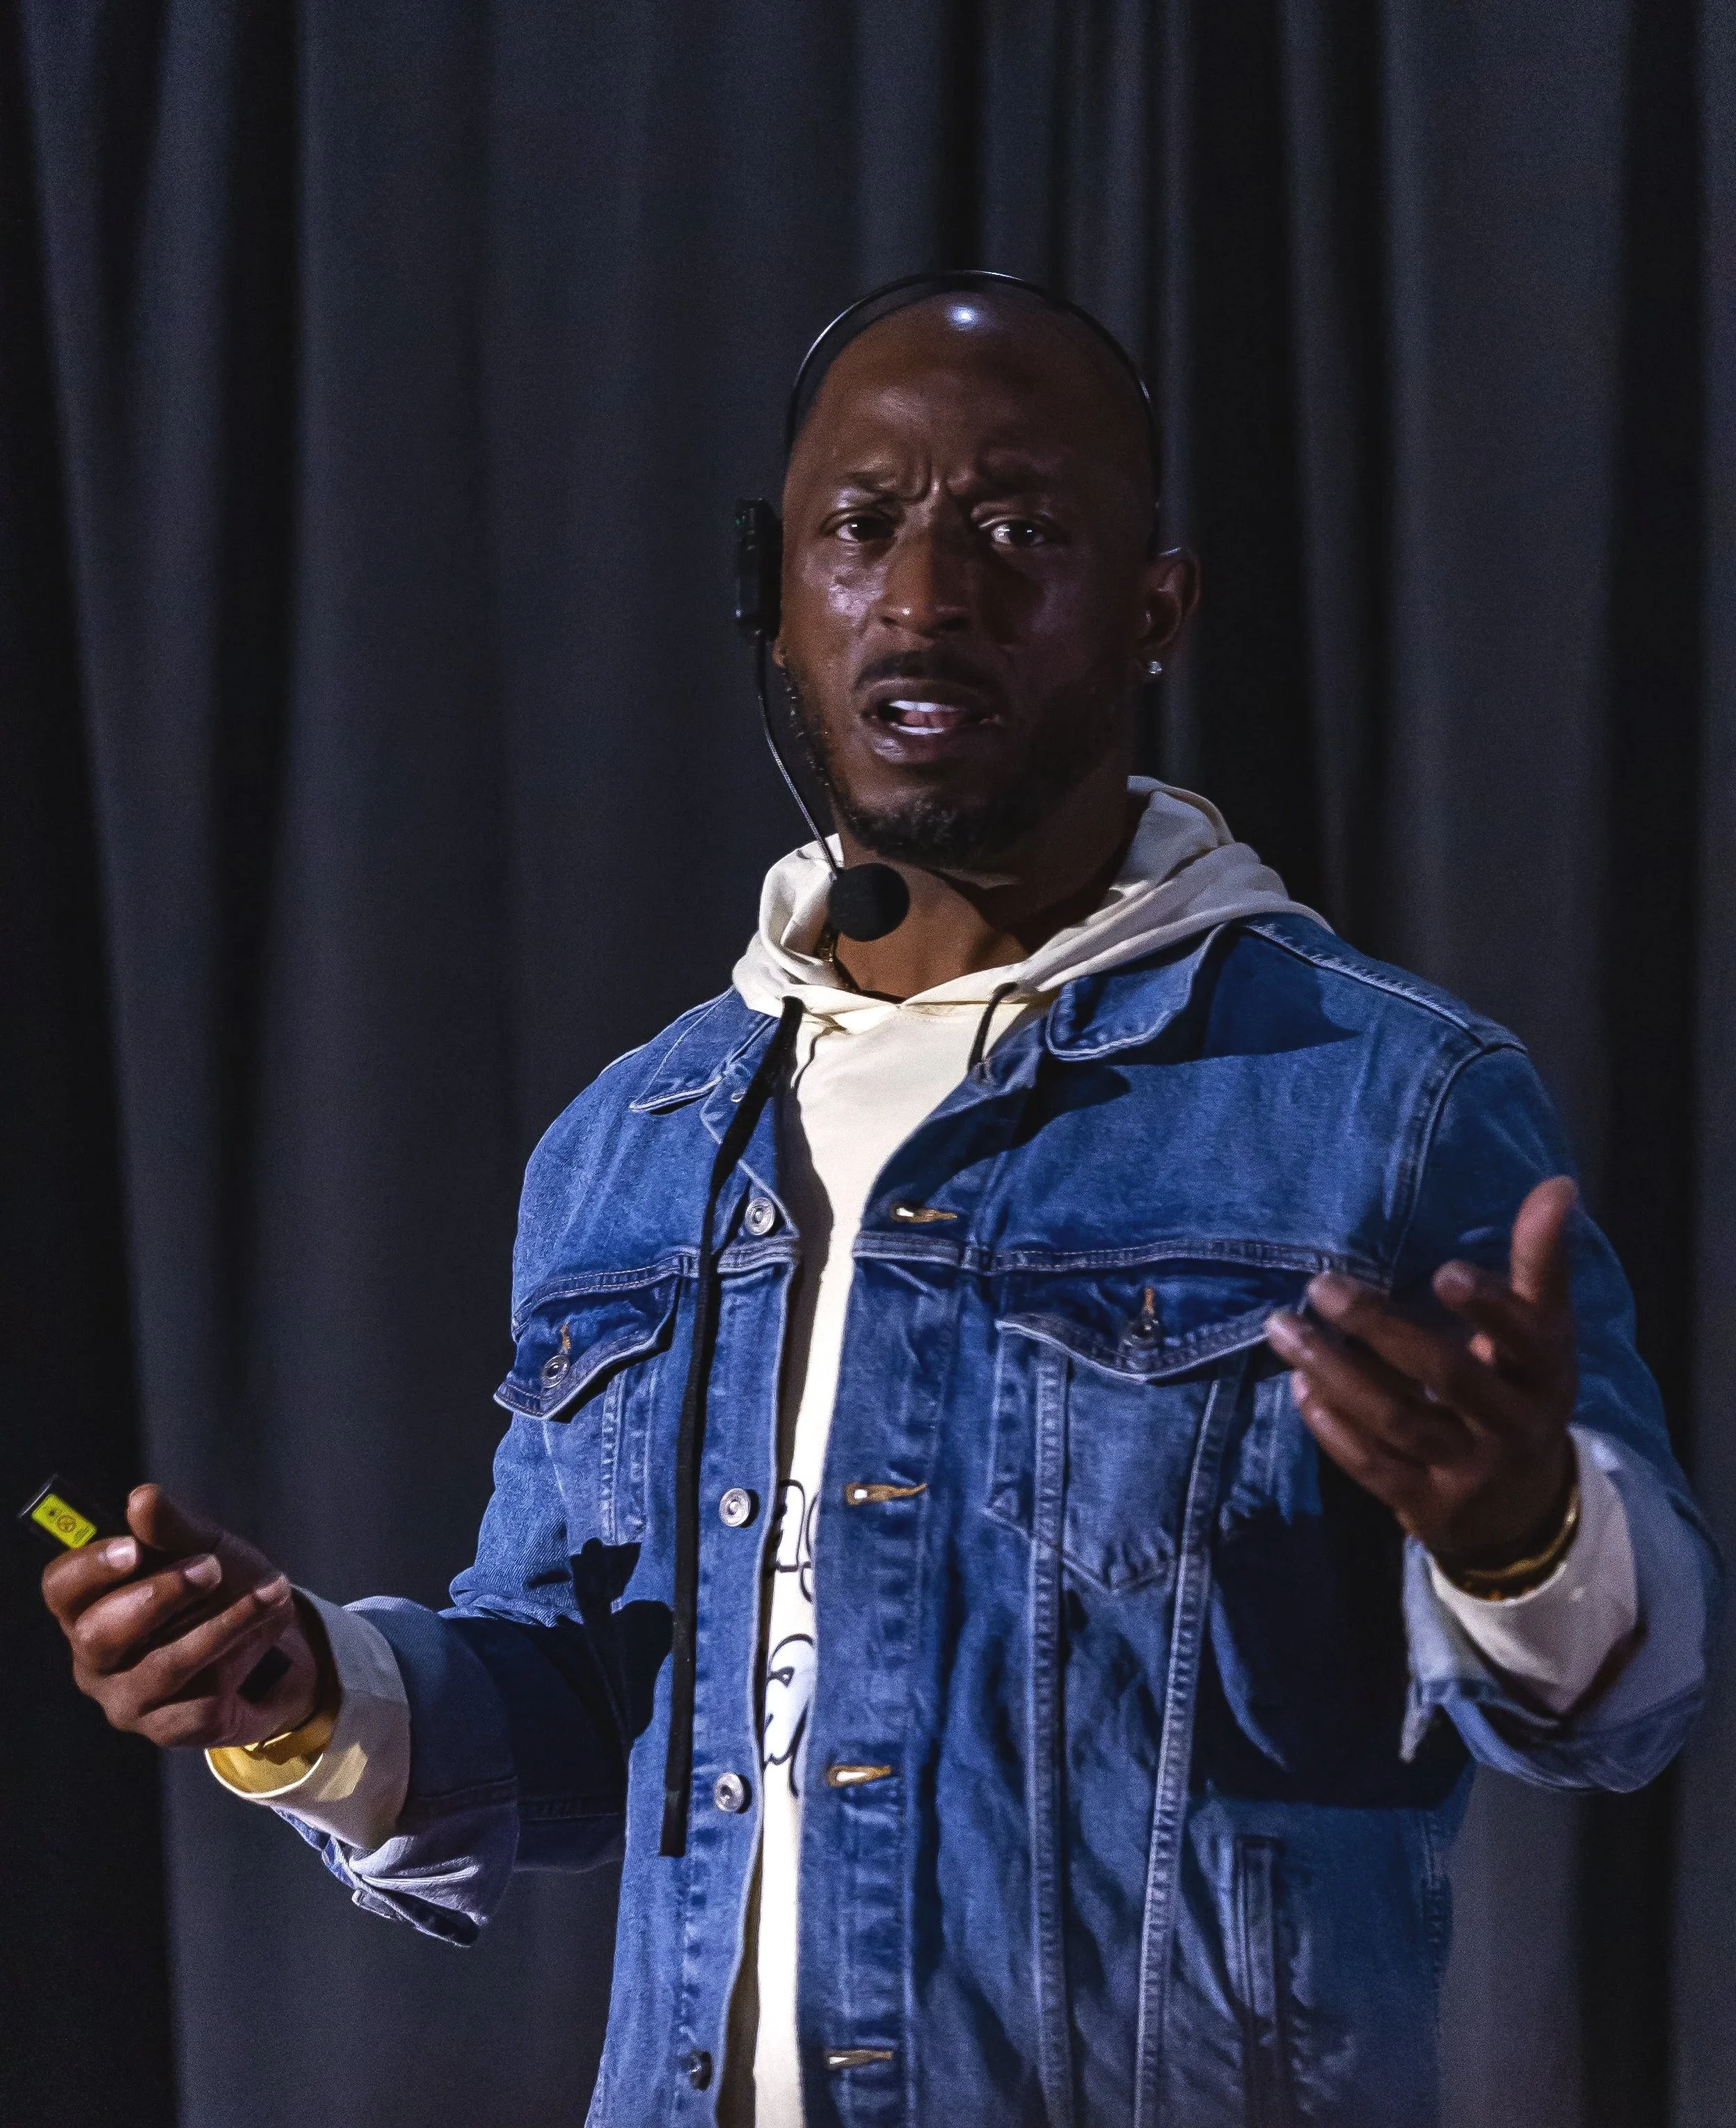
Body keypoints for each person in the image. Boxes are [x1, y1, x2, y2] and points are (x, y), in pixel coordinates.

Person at [42, 278, 1716, 2128]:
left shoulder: (1382, 1103)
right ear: (774, 588)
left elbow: (1629, 1704)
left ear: (1153, 609)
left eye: (1019, 527)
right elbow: (596, 1710)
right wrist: (307, 1693)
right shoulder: (636, 1142)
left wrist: (1521, 1536)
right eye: (862, 526)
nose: (928, 592)